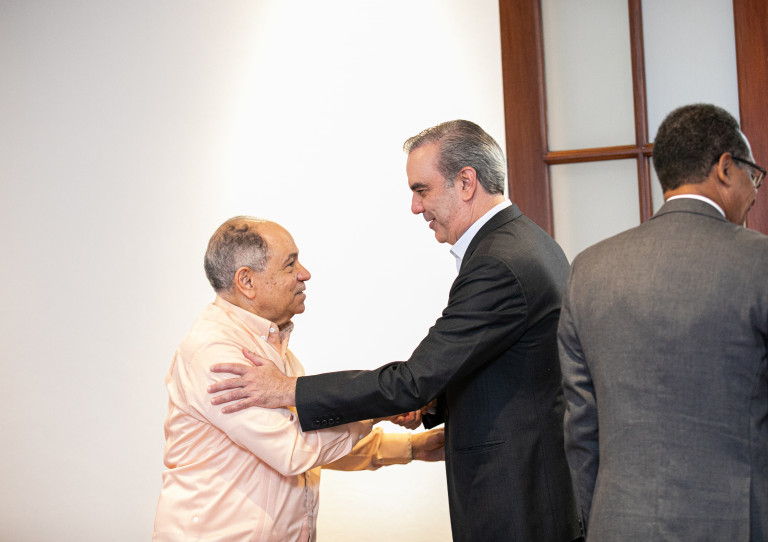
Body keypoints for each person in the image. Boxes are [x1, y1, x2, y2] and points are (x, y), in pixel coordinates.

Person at [207, 121, 582, 541]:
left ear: (466, 182)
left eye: (422, 190)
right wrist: (416, 406)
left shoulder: (497, 261)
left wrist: (288, 390)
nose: (415, 207)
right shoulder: (525, 242)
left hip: (519, 499)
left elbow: (413, 381)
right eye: (290, 264)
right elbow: (496, 370)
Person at [153, 217, 445, 542]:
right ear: (246, 281)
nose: (304, 274)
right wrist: (382, 404)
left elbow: (312, 442)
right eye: (290, 264)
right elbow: (292, 450)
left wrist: (412, 448)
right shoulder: (216, 352)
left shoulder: (274, 352)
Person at [557, 103, 768, 541]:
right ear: (726, 168)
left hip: (618, 525)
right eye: (754, 175)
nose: (755, 190)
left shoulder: (588, 270)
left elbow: (581, 430)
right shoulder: (759, 261)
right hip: (737, 524)